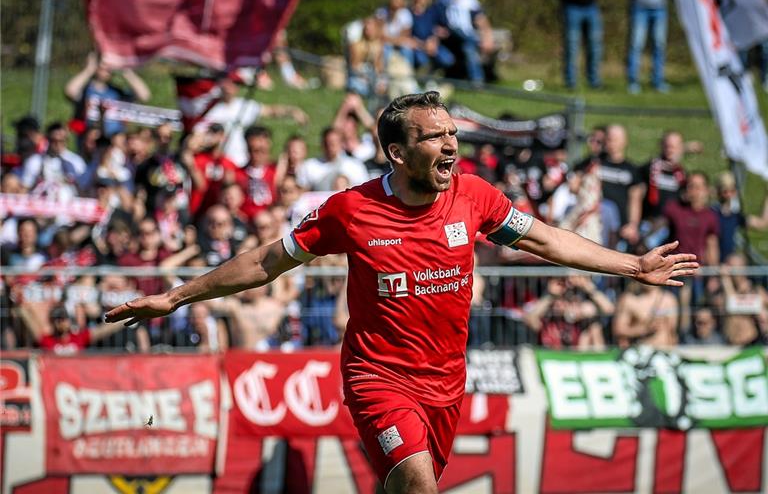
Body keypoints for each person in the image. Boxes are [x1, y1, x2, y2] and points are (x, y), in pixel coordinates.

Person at [106, 92, 698, 494]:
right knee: (417, 482)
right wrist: (176, 296)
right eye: (434, 137)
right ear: (397, 152)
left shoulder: (474, 196)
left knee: (415, 488)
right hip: (378, 378)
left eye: (451, 134)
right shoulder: (351, 211)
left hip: (446, 380)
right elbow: (266, 261)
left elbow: (546, 241)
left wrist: (632, 264)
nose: (450, 146)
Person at [194, 73, 308, 168]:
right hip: (222, 163)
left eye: (234, 83)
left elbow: (271, 111)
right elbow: (198, 134)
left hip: (244, 163)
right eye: (227, 82)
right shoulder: (212, 110)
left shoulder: (244, 105)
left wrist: (292, 111)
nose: (230, 87)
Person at [64, 52, 151, 138]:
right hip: (89, 143)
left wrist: (125, 70)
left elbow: (144, 96)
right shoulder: (85, 90)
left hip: (113, 143)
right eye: (102, 63)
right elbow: (70, 91)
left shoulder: (116, 92)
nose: (106, 67)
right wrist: (89, 69)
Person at [550, 0, 604, 89]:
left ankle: (594, 81)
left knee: (595, 47)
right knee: (571, 47)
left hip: (591, 6)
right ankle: (571, 82)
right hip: (571, 6)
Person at [626, 0, 670, 94]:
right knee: (636, 45)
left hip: (660, 6)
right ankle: (633, 82)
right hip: (640, 5)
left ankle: (658, 81)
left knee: (659, 45)